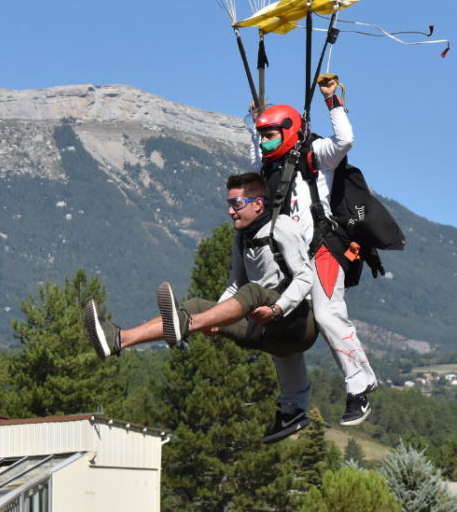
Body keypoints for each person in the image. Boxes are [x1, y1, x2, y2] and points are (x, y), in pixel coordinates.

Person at [84, 172, 318, 444]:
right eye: (229, 204)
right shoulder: (241, 238)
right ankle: (117, 339)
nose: (231, 211)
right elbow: (234, 285)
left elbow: (305, 278)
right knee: (195, 305)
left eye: (237, 204)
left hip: (298, 324)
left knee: (251, 293)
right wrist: (214, 318)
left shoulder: (283, 227)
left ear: (258, 204)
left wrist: (277, 310)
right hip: (267, 334)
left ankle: (188, 325)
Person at [251, 76, 377, 427]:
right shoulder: (268, 167)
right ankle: (292, 405)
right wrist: (257, 117)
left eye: (270, 135)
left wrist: (332, 100)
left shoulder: (316, 156)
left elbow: (346, 140)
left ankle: (360, 386)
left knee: (326, 315)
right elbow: (255, 148)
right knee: (279, 323)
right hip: (290, 260)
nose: (264, 143)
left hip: (323, 248)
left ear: (289, 130)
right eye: (262, 136)